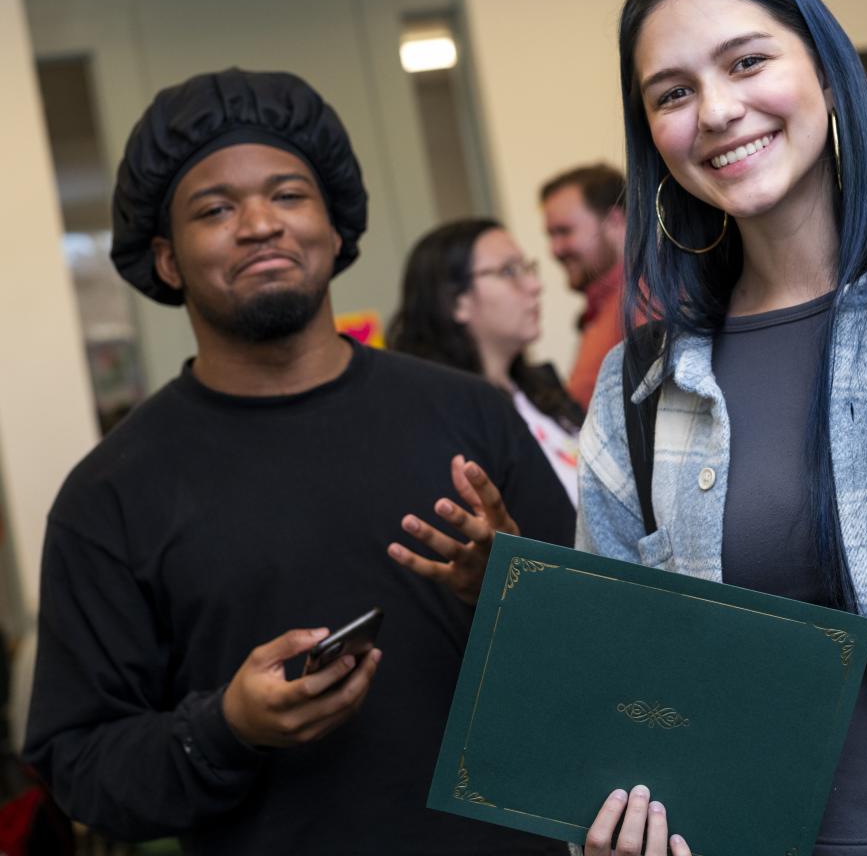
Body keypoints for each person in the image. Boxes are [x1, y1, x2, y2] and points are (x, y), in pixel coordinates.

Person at [402, 0, 867, 855]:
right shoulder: (639, 390)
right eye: (672, 93)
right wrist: (599, 823)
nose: (717, 111)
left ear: (828, 76)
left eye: (748, 62)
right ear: (653, 139)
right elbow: (620, 698)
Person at [23, 68, 574, 855]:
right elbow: (79, 766)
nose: (259, 224)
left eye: (288, 195)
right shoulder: (111, 494)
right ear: (168, 260)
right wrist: (225, 729)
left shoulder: (472, 415)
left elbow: (603, 663)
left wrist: (514, 592)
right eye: (215, 209)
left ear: (333, 225)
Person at [388, 218, 583, 506]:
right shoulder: (444, 420)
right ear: (456, 302)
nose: (534, 285)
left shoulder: (543, 385)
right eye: (509, 271)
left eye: (528, 268)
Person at [539, 164, 627, 410]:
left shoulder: (647, 300)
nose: (555, 250)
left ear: (614, 222)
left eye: (564, 231)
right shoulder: (605, 308)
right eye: (550, 235)